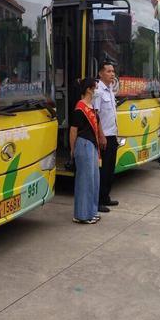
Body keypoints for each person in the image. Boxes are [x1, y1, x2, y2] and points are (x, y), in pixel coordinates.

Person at [70, 78, 101, 224]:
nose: (96, 90)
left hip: (92, 145)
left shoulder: (91, 106)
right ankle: (82, 215)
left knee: (94, 179)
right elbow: (73, 130)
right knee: (85, 180)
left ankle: (91, 211)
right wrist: (72, 149)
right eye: (95, 87)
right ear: (89, 89)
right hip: (83, 145)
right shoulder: (80, 108)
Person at [93, 61, 119, 213]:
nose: (112, 74)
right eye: (109, 71)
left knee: (110, 169)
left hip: (112, 134)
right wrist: (101, 136)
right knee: (102, 170)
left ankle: (106, 197)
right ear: (101, 74)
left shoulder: (110, 90)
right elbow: (96, 115)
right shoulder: (98, 91)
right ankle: (98, 200)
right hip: (104, 136)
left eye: (113, 71)